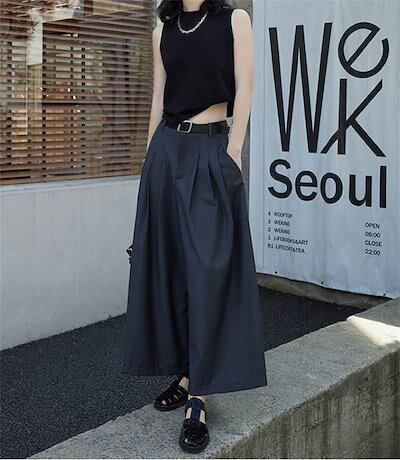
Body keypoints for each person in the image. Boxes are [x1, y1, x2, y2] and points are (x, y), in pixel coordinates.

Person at [122, 0, 267, 453]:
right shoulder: (163, 29)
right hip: (166, 153)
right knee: (173, 271)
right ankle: (187, 375)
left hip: (211, 151)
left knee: (208, 272)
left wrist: (234, 151)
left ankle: (198, 398)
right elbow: (158, 98)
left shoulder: (234, 20)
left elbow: (245, 87)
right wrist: (148, 161)